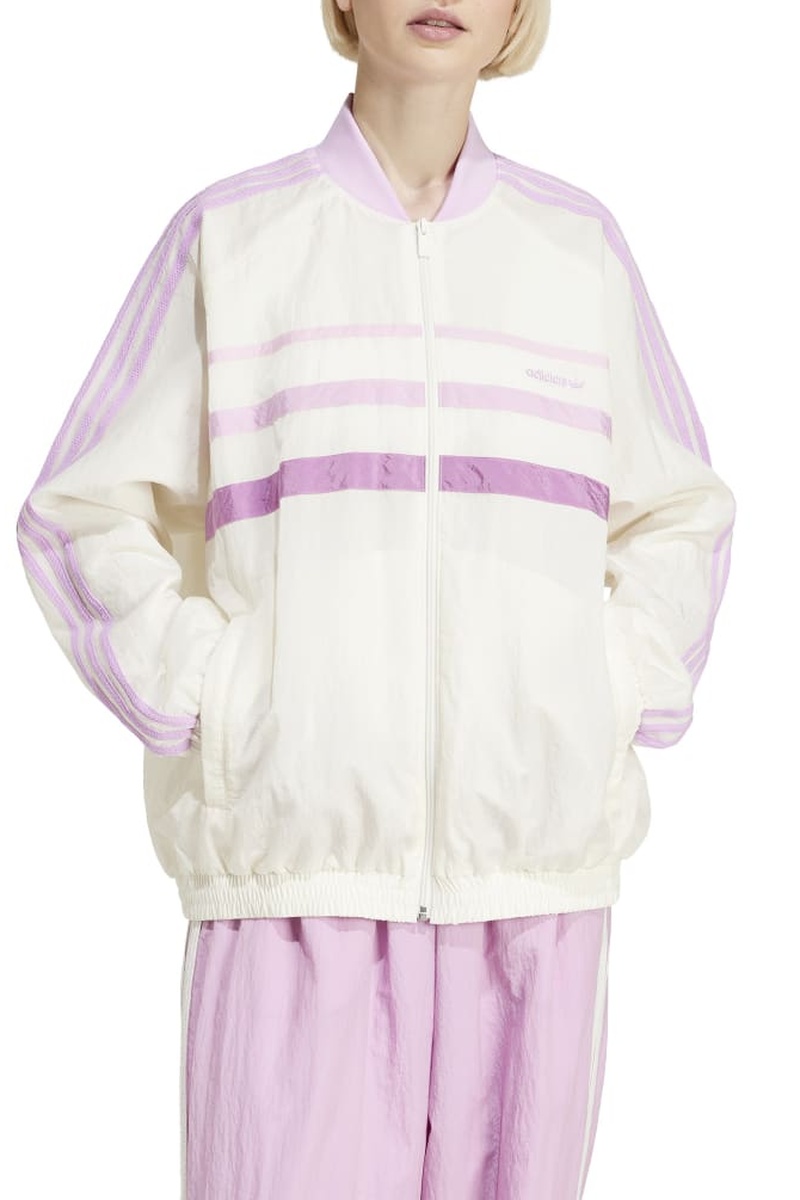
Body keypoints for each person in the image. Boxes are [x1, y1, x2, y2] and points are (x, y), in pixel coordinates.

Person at [15, 0, 737, 1196]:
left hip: (532, 896)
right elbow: (80, 506)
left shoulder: (574, 251)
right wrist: (219, 698)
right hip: (293, 892)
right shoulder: (234, 238)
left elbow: (678, 511)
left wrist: (605, 690)